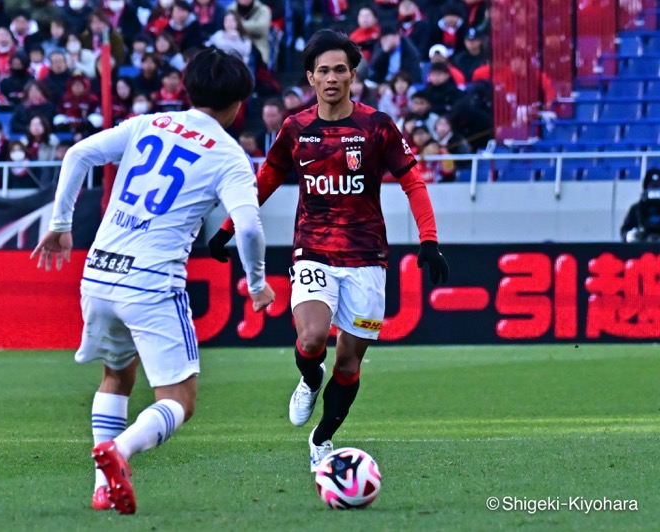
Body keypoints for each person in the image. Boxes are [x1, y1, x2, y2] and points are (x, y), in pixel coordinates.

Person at [29, 47, 274, 515]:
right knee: (180, 397)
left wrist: (61, 224)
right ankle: (119, 451)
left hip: (99, 271)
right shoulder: (229, 155)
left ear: (187, 88)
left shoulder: (149, 123)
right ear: (238, 104)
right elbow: (248, 227)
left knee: (117, 375)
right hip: (150, 280)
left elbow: (79, 153)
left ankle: (103, 486)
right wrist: (258, 281)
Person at [208, 29, 449, 472]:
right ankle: (308, 376)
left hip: (367, 258)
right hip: (314, 249)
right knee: (312, 337)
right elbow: (265, 180)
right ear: (311, 78)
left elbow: (413, 181)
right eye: (324, 71)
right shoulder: (295, 128)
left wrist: (429, 240)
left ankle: (323, 437)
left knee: (350, 360)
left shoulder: (377, 126)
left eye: (341, 69)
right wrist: (228, 227)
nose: (332, 77)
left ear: (353, 75)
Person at [621, 168, 660, 243]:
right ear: (646, 187)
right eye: (652, 186)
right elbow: (625, 231)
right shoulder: (636, 209)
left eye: (658, 186)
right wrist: (631, 235)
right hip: (641, 248)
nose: (655, 189)